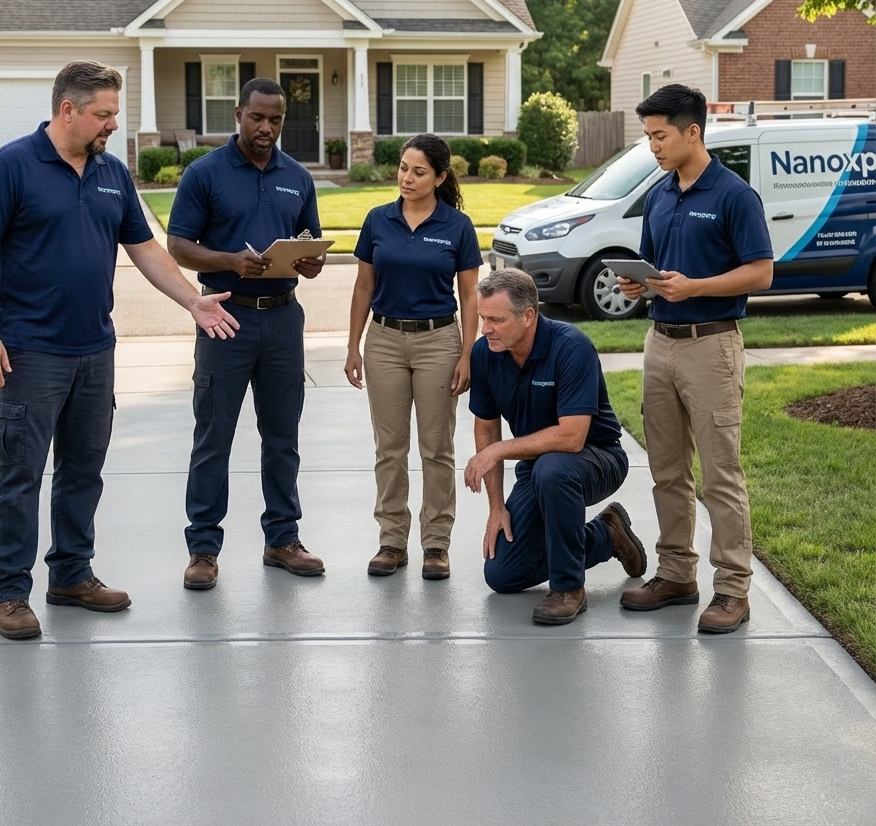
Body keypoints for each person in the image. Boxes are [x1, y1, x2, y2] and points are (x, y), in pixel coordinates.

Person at [0, 60, 239, 642]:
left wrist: (192, 301)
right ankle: (10, 592)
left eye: (115, 113)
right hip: (29, 352)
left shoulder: (112, 171)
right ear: (68, 110)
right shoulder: (11, 166)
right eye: (104, 114)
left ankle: (70, 574)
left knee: (83, 470)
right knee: (20, 475)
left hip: (95, 349)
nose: (113, 124)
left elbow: (145, 249)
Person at [617, 84, 773, 634]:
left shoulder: (734, 195)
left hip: (712, 345)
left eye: (660, 136)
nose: (653, 146)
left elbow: (761, 272)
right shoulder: (660, 195)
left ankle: (732, 590)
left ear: (693, 132)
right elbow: (655, 267)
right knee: (667, 470)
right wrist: (641, 286)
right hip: (660, 343)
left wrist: (696, 287)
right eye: (648, 137)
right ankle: (676, 574)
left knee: (719, 475)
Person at [167, 77, 326, 589]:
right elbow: (178, 245)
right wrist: (230, 261)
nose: (266, 127)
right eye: (257, 117)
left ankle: (283, 539)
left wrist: (310, 260)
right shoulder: (205, 173)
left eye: (275, 119)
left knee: (282, 435)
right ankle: (203, 549)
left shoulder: (297, 176)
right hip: (225, 317)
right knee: (214, 437)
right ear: (238, 114)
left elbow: (311, 245)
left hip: (282, 318)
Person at [464, 269, 647, 625]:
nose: (485, 329)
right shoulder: (485, 353)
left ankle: (568, 589)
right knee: (502, 574)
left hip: (597, 458)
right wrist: (496, 507)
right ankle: (607, 535)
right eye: (483, 318)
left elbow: (572, 437)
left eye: (496, 320)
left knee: (554, 468)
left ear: (528, 316)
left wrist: (497, 451)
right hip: (538, 467)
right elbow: (486, 428)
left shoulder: (571, 347)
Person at [344, 134, 481, 580]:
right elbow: (363, 286)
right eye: (404, 168)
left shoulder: (457, 226)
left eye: (419, 172)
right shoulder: (377, 220)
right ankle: (392, 540)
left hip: (438, 341)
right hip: (384, 340)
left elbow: (470, 296)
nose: (407, 178)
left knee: (437, 447)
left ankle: (436, 543)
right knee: (389, 448)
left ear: (439, 178)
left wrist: (467, 353)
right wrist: (353, 345)